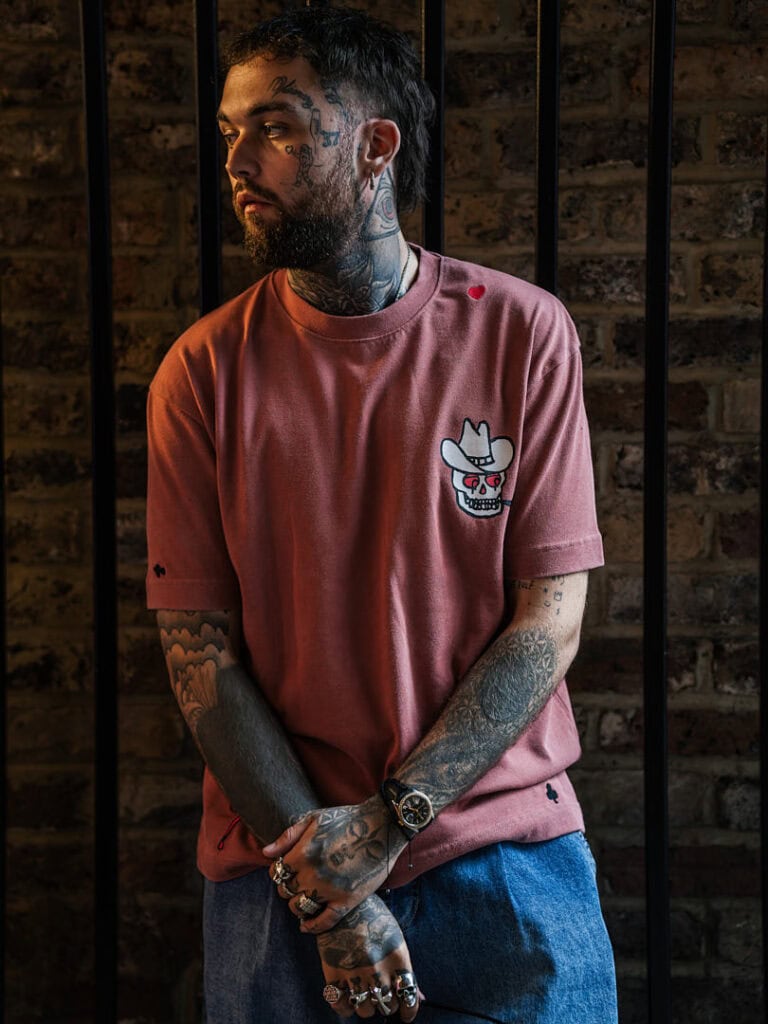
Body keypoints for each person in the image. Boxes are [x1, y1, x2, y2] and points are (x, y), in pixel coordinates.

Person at [146, 6, 618, 1022]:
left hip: (501, 847)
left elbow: (550, 620)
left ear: (374, 146)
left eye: (274, 126)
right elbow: (198, 653)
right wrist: (335, 883)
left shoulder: (522, 334)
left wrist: (393, 821)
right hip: (285, 863)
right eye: (228, 131)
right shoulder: (202, 371)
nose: (237, 159)